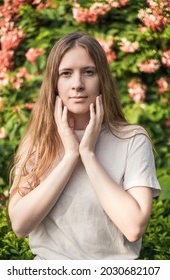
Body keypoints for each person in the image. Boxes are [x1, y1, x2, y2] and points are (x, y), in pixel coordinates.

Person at [8, 32, 161, 260]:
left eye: (88, 72)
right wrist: (70, 156)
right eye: (66, 74)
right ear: (54, 83)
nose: (77, 84)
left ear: (102, 80)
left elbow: (133, 228)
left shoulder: (132, 140)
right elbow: (20, 225)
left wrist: (88, 155)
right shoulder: (38, 142)